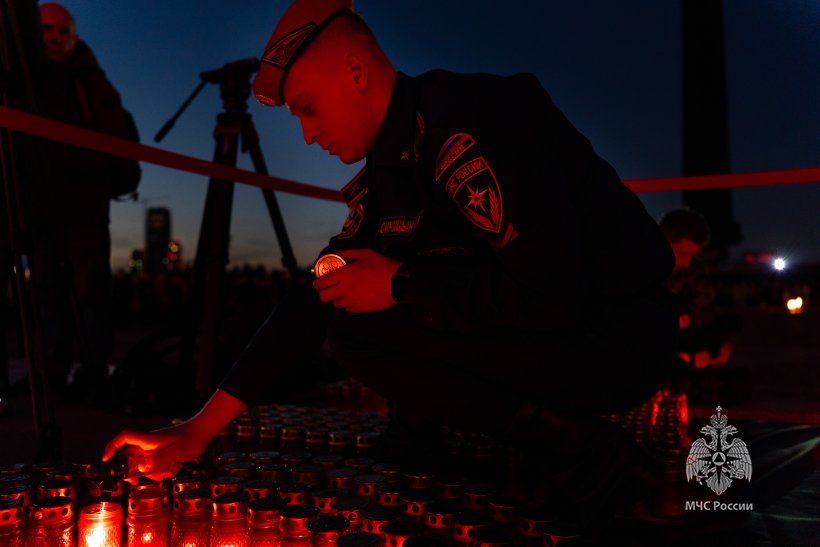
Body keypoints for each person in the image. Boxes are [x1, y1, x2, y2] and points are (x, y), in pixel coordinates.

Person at [105, 0, 678, 529]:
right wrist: (198, 429)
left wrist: (403, 283)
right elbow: (314, 296)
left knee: (371, 321)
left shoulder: (469, 123)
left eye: (307, 109)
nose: (306, 135)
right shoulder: (391, 170)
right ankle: (423, 446)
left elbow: (554, 289)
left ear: (356, 72)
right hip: (557, 328)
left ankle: (591, 456)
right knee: (352, 318)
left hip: (615, 337)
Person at [27, 3, 140, 403]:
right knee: (45, 289)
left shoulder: (91, 81)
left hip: (83, 205)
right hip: (39, 202)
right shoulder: (25, 78)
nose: (54, 37)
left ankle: (94, 369)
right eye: (46, 29)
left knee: (90, 289)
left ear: (74, 36)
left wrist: (106, 178)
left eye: (62, 30)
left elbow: (115, 131)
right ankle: (53, 371)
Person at [660, 208, 734, 369]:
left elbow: (706, 313)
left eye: (692, 256)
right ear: (661, 242)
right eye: (683, 254)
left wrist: (721, 345)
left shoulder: (694, 270)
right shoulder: (637, 270)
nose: (687, 263)